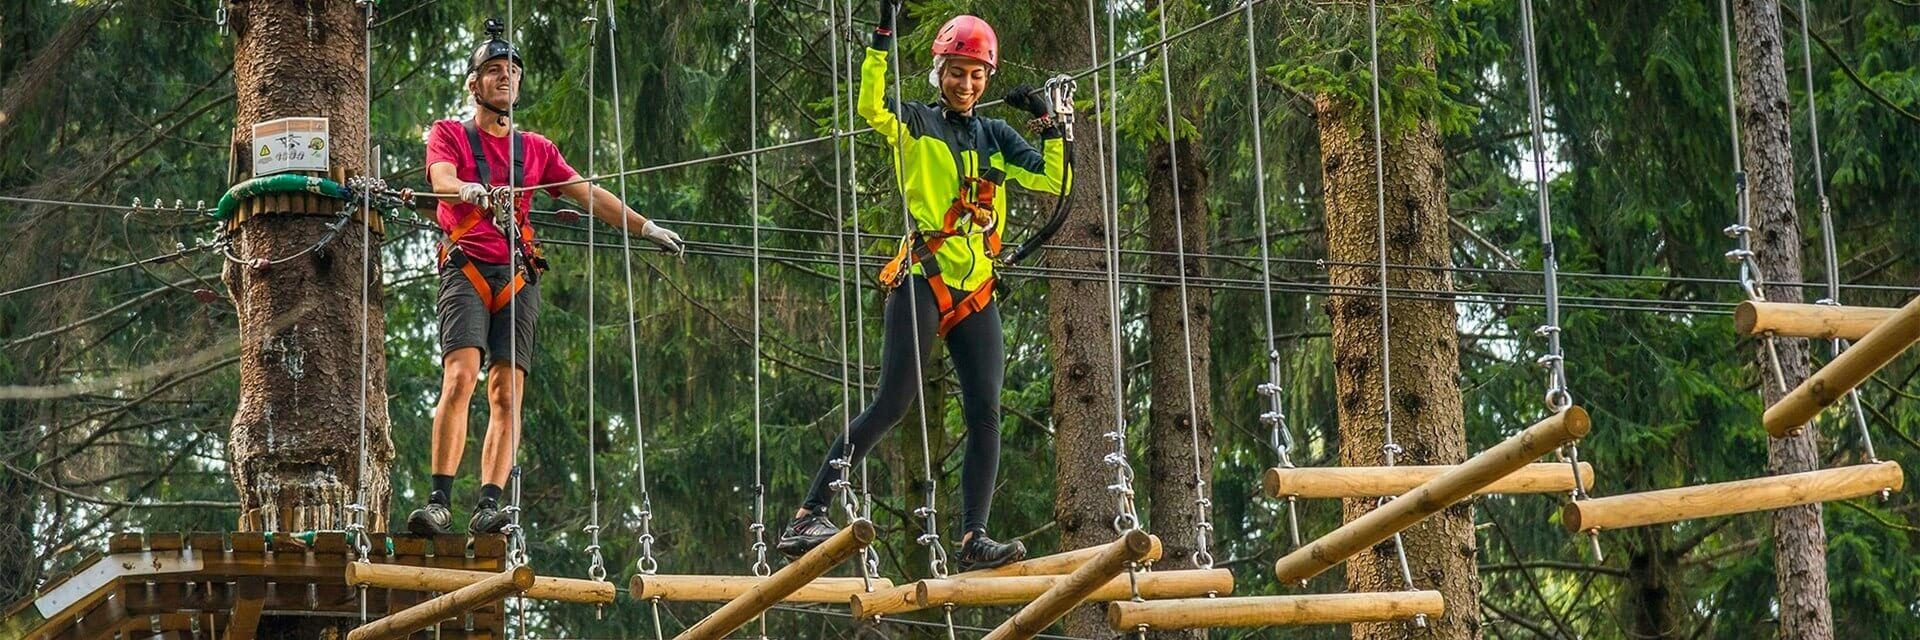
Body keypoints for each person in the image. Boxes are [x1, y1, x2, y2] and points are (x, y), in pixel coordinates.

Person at [776, 1, 1071, 571]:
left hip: (977, 289)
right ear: (940, 72)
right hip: (923, 278)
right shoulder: (914, 122)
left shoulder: (997, 135)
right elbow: (870, 105)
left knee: (986, 412)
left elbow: (1055, 178)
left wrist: (1047, 123)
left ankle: (973, 540)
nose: (966, 84)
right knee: (893, 402)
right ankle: (809, 512)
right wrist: (881, 35)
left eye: (976, 75)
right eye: (957, 72)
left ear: (987, 79)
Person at [406, 19, 685, 535]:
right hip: (466, 265)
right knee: (460, 377)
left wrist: (646, 229)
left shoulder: (536, 150)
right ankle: (440, 500)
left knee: (506, 393)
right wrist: (464, 189)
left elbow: (590, 195)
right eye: (493, 71)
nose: (504, 79)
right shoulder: (450, 134)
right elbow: (442, 178)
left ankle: (489, 505)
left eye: (511, 71)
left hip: (516, 275)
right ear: (474, 84)